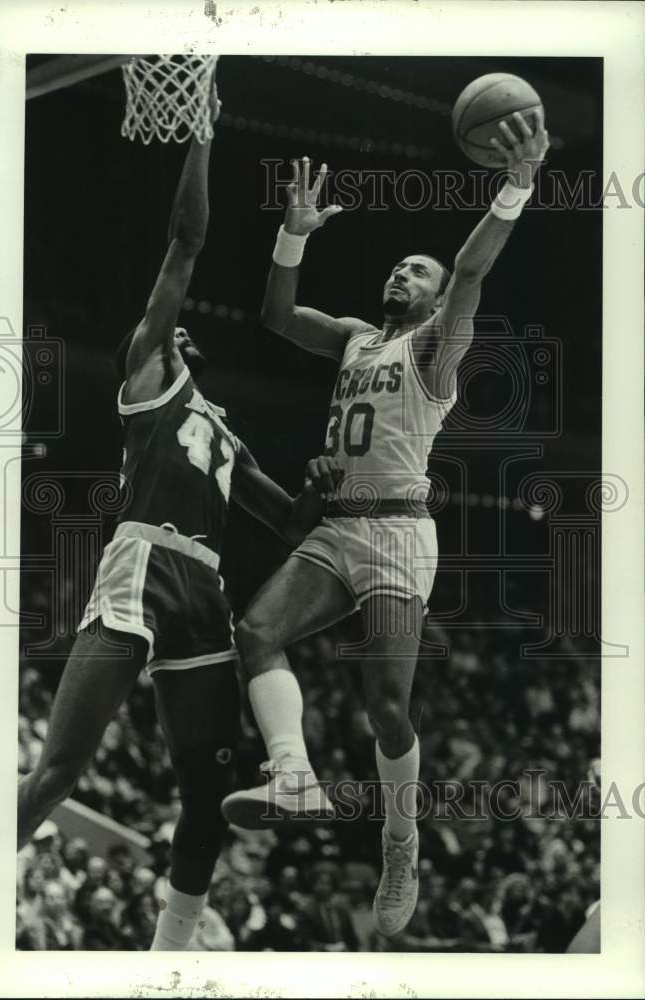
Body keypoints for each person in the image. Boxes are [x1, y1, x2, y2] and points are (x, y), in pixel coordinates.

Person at [16, 74, 341, 952]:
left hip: (207, 592)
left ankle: (170, 955)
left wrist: (329, 476)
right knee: (57, 774)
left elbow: (291, 520)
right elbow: (186, 242)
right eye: (165, 325)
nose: (173, 329)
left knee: (210, 790)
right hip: (143, 565)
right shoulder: (147, 378)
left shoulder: (225, 432)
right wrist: (202, 133)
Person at [222, 110, 551, 938]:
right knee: (256, 628)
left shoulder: (437, 349)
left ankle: (401, 841)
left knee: (388, 711)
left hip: (401, 534)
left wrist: (515, 186)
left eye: (419, 271)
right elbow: (274, 314)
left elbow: (472, 272)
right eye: (399, 267)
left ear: (438, 299)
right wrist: (292, 236)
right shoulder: (356, 338)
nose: (403, 274)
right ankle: (291, 772)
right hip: (336, 529)